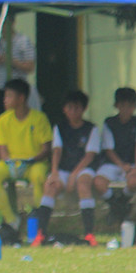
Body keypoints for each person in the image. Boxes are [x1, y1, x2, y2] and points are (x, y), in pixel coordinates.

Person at [0, 78, 52, 244]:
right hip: (11, 164)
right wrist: (9, 162)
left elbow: (46, 148)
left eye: (9, 96)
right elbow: (2, 149)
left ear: (21, 98)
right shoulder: (3, 119)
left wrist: (30, 160)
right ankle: (11, 220)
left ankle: (39, 223)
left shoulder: (39, 118)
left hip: (34, 164)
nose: (5, 100)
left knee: (39, 177)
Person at [37, 90, 100, 247]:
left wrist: (74, 174)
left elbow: (89, 155)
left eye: (77, 108)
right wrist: (54, 172)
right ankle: (41, 233)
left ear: (83, 109)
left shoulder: (91, 128)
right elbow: (56, 150)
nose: (73, 111)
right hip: (64, 169)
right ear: (64, 109)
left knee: (83, 184)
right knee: (50, 186)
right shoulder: (60, 127)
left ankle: (89, 233)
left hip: (84, 169)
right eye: (69, 107)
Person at [92, 87, 136, 219]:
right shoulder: (109, 123)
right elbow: (109, 149)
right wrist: (122, 166)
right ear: (116, 106)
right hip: (112, 164)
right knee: (98, 182)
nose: (126, 110)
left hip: (133, 163)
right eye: (123, 106)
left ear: (135, 107)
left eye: (130, 106)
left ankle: (121, 203)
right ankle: (117, 206)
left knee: (134, 181)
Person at [0, 13, 36, 132]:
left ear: (12, 23)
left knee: (17, 124)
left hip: (17, 89)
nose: (1, 27)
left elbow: (30, 67)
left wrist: (9, 60)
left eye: (3, 24)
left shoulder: (23, 41)